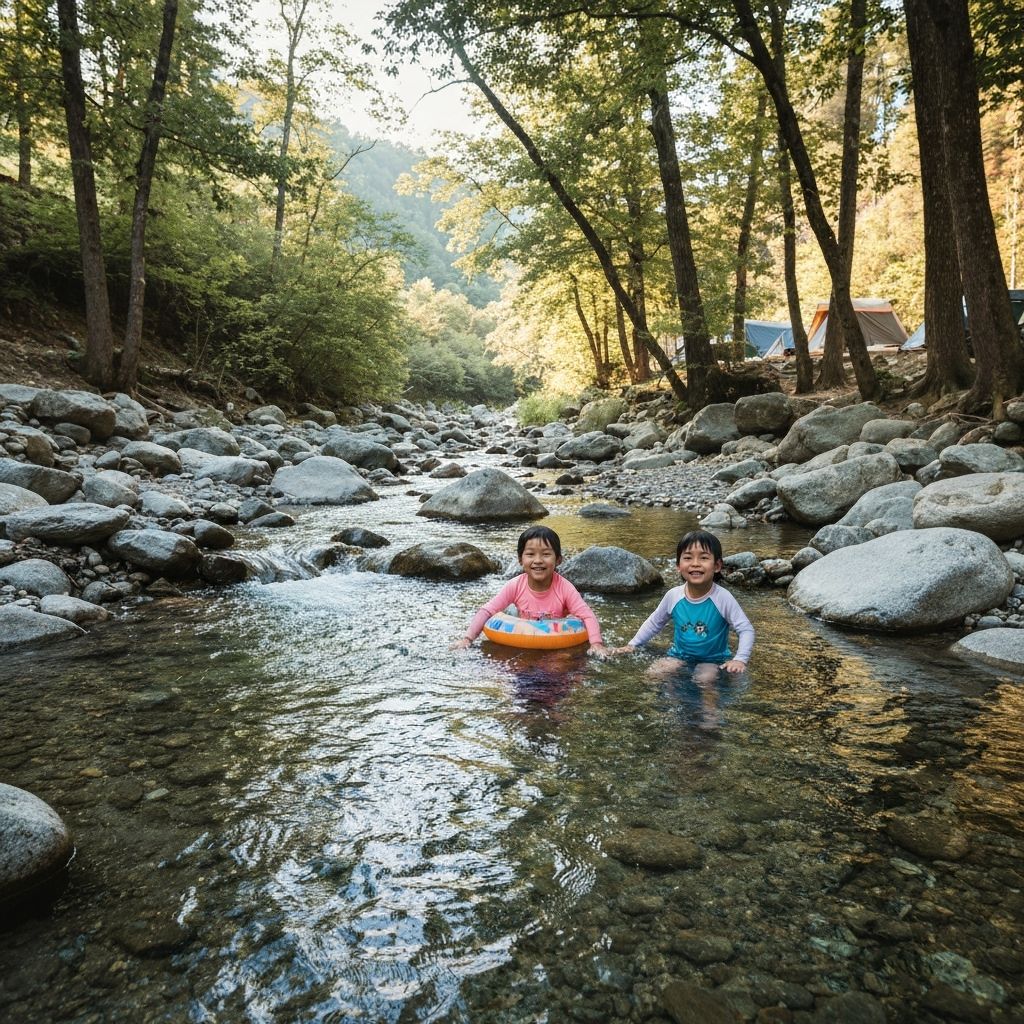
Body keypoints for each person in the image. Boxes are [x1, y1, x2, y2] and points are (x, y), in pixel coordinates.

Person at [613, 530, 754, 684]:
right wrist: (633, 644)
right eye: (688, 558)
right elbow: (654, 623)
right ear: (678, 566)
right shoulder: (673, 596)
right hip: (678, 655)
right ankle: (665, 698)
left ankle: (710, 701)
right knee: (653, 674)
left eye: (704, 558)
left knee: (704, 679)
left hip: (712, 660)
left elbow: (745, 629)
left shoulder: (723, 598)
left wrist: (740, 659)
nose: (695, 563)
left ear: (717, 565)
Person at [453, 526, 609, 657]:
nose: (538, 560)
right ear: (520, 560)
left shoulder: (565, 588)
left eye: (546, 554)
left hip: (555, 643)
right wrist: (467, 639)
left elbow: (587, 616)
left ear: (558, 560)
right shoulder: (515, 586)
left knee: (560, 664)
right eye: (530, 554)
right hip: (524, 638)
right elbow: (487, 611)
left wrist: (596, 644)